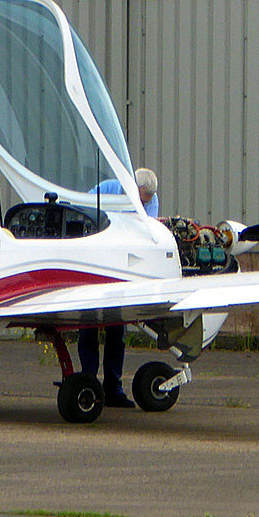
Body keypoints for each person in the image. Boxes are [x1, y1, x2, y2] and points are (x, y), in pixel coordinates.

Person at [79, 167, 160, 408]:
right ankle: (89, 382)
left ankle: (113, 388)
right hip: (97, 263)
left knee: (117, 331)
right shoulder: (107, 189)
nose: (146, 204)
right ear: (135, 189)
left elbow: (147, 229)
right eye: (143, 199)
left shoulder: (151, 199)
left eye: (147, 201)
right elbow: (84, 210)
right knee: (88, 327)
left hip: (122, 268)